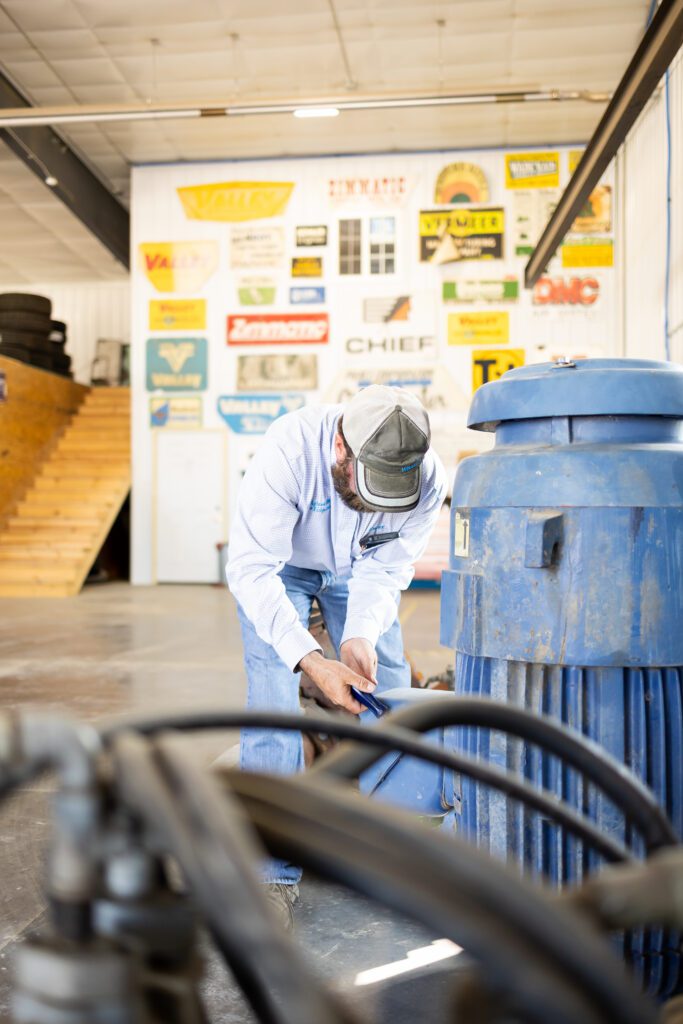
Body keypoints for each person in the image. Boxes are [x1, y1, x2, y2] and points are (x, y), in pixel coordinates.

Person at [226, 384, 448, 926]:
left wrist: (360, 636)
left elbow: (388, 567)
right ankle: (270, 874)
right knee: (274, 700)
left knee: (389, 685)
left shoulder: (428, 480)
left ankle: (399, 833)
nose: (376, 504)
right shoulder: (290, 450)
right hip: (280, 569)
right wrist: (310, 658)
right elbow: (251, 570)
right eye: (368, 486)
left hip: (359, 570)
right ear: (341, 448)